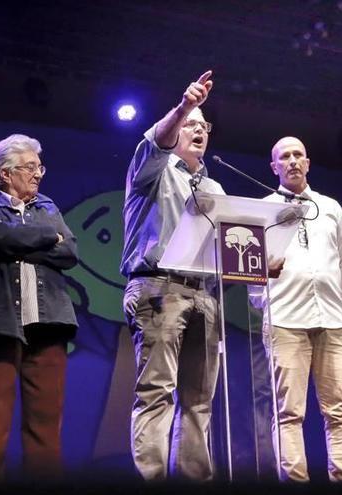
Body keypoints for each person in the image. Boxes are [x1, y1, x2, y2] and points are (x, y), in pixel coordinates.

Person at [120, 70, 225, 481]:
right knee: (157, 392)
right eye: (190, 126)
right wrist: (184, 106)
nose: (198, 132)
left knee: (199, 400)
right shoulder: (152, 170)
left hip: (205, 294)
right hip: (159, 286)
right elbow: (156, 141)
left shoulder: (213, 184)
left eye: (204, 127)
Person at [0, 134, 78, 483]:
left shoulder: (48, 207)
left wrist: (17, 240)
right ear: (4, 174)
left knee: (45, 427)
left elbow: (70, 252)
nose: (38, 174)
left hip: (48, 323)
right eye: (29, 167)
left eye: (39, 167)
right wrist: (45, 237)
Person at [249, 137, 342, 481]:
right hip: (285, 321)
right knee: (288, 413)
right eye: (285, 157)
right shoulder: (262, 210)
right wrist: (268, 305)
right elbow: (250, 270)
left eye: (298, 155)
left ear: (308, 163)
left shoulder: (331, 207)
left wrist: (334, 298)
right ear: (274, 167)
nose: (292, 161)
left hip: (333, 321)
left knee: (339, 411)